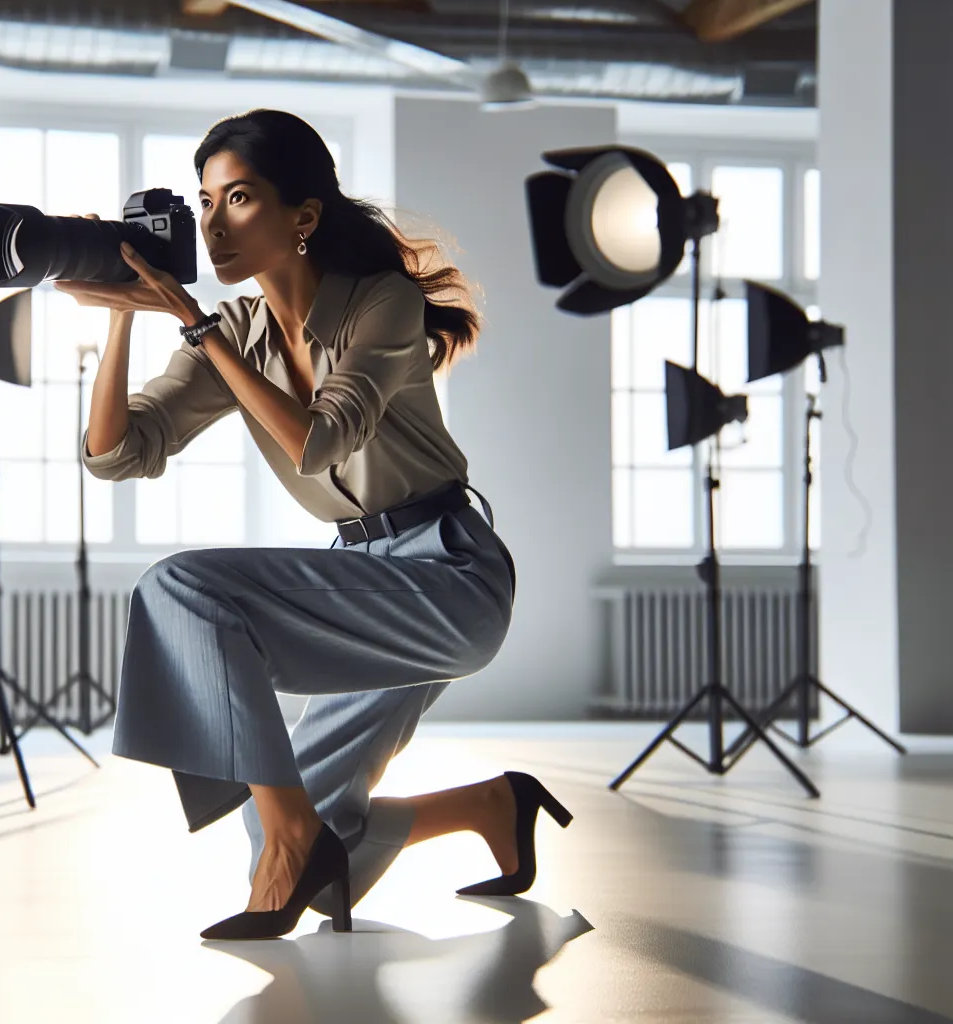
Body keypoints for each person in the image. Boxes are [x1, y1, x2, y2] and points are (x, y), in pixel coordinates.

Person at [58, 109, 571, 941]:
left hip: (448, 575)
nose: (214, 223)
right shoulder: (232, 337)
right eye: (205, 201)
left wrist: (188, 320)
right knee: (281, 839)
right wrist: (122, 314)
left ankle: (299, 835)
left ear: (302, 217)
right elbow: (116, 454)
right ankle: (492, 805)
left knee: (183, 588)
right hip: (361, 578)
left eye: (240, 198)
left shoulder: (384, 304)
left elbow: (317, 441)